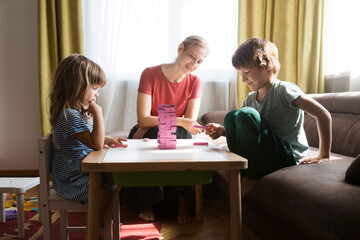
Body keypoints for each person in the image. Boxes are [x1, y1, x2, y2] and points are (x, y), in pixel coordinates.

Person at [205, 37, 332, 197]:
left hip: (286, 155)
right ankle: (241, 167)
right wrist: (222, 131)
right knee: (232, 116)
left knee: (245, 114)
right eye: (240, 74)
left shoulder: (284, 90)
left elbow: (323, 115)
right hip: (263, 151)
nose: (243, 79)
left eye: (247, 72)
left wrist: (324, 154)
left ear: (267, 65)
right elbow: (245, 128)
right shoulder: (251, 98)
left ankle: (254, 175)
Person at [123, 35, 210, 224]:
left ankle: (183, 204)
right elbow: (143, 119)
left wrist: (159, 123)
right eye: (191, 56)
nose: (194, 64)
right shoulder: (150, 73)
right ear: (180, 49)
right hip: (148, 133)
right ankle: (149, 202)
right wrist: (155, 124)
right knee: (160, 133)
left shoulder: (195, 82)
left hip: (174, 133)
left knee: (182, 135)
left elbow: (190, 122)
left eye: (199, 61)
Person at [49, 54, 128, 225]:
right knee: (108, 186)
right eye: (94, 88)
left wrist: (108, 140)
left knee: (116, 177)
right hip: (72, 181)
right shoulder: (69, 116)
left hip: (79, 171)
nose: (97, 94)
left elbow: (89, 138)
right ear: (77, 86)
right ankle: (96, 225)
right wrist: (98, 112)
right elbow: (95, 144)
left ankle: (103, 217)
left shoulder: (75, 113)